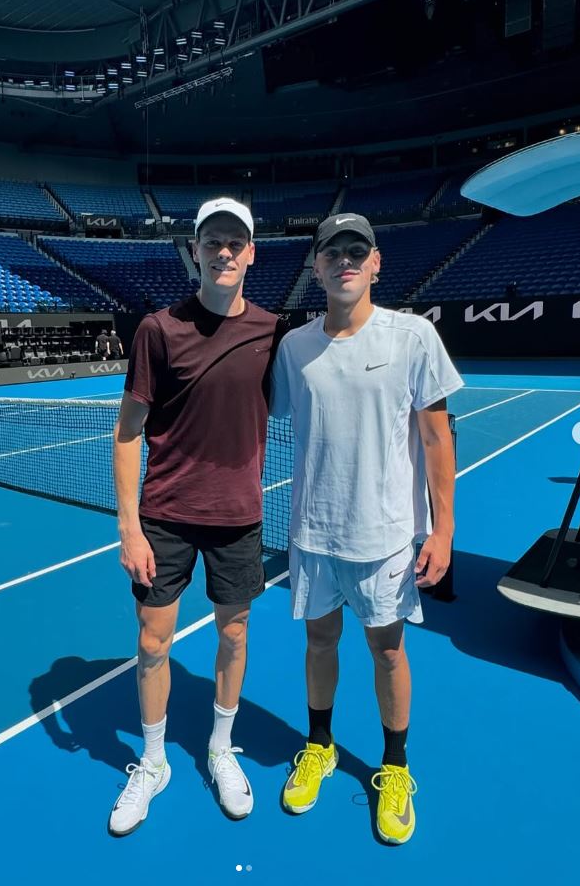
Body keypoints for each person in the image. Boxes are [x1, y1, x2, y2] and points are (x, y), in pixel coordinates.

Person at [271, 213, 463, 844]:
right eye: (333, 252)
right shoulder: (294, 348)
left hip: (383, 540)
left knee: (388, 651)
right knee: (320, 644)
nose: (345, 260)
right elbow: (252, 415)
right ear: (318, 266)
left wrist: (442, 533)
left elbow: (437, 437)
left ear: (376, 262)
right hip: (313, 536)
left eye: (358, 250)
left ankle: (395, 766)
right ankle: (320, 745)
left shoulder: (412, 337)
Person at [110, 197, 282, 836]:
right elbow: (128, 433)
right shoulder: (158, 330)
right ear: (196, 251)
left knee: (233, 636)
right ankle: (153, 763)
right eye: (213, 241)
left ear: (252, 253)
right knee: (153, 641)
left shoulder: (273, 333)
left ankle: (218, 748)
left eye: (236, 242)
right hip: (165, 519)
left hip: (238, 517)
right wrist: (129, 526)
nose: (225, 252)